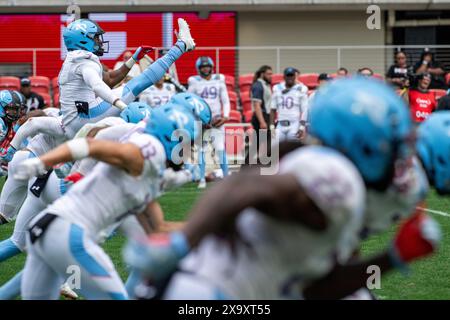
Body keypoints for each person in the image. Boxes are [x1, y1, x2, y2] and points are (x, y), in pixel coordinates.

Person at [124, 78, 439, 300]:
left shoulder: (315, 162)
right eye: (391, 141)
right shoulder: (337, 177)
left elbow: (318, 289)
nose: (397, 153)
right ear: (359, 141)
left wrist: (392, 257)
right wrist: (183, 240)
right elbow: (251, 188)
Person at [12, 103, 198, 300]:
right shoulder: (151, 152)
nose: (190, 149)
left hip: (45, 230)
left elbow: (158, 227)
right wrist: (42, 162)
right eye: (188, 143)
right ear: (172, 138)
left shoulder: (151, 174)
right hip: (69, 233)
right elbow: (91, 145)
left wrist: (213, 228)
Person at [59, 17, 194, 139]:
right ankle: (181, 45)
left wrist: (133, 59)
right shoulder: (85, 61)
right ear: (83, 39)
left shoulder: (73, 60)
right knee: (139, 85)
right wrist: (122, 106)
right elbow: (97, 86)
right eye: (95, 37)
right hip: (85, 117)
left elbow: (110, 79)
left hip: (73, 121)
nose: (99, 41)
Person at [187, 56, 230, 188]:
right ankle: (202, 179)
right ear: (199, 69)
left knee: (221, 149)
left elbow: (225, 100)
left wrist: (226, 116)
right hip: (201, 121)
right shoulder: (194, 82)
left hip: (217, 120)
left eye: (207, 66)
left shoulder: (219, 80)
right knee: (202, 150)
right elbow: (189, 103)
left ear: (211, 67)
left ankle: (227, 178)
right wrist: (198, 119)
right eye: (203, 67)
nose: (206, 69)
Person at [270, 67, 308, 142]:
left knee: (292, 149)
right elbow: (272, 109)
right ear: (284, 77)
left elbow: (305, 110)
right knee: (276, 149)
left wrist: (302, 127)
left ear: (295, 76)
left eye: (292, 75)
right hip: (280, 124)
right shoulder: (277, 88)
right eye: (288, 75)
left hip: (294, 124)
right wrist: (271, 126)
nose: (290, 77)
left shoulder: (301, 89)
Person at [247, 65, 273, 165]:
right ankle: (263, 165)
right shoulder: (258, 85)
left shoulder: (266, 85)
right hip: (260, 117)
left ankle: (248, 166)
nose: (271, 76)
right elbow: (257, 105)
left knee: (258, 144)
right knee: (267, 144)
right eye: (268, 74)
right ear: (262, 74)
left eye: (271, 74)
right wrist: (262, 122)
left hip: (264, 117)